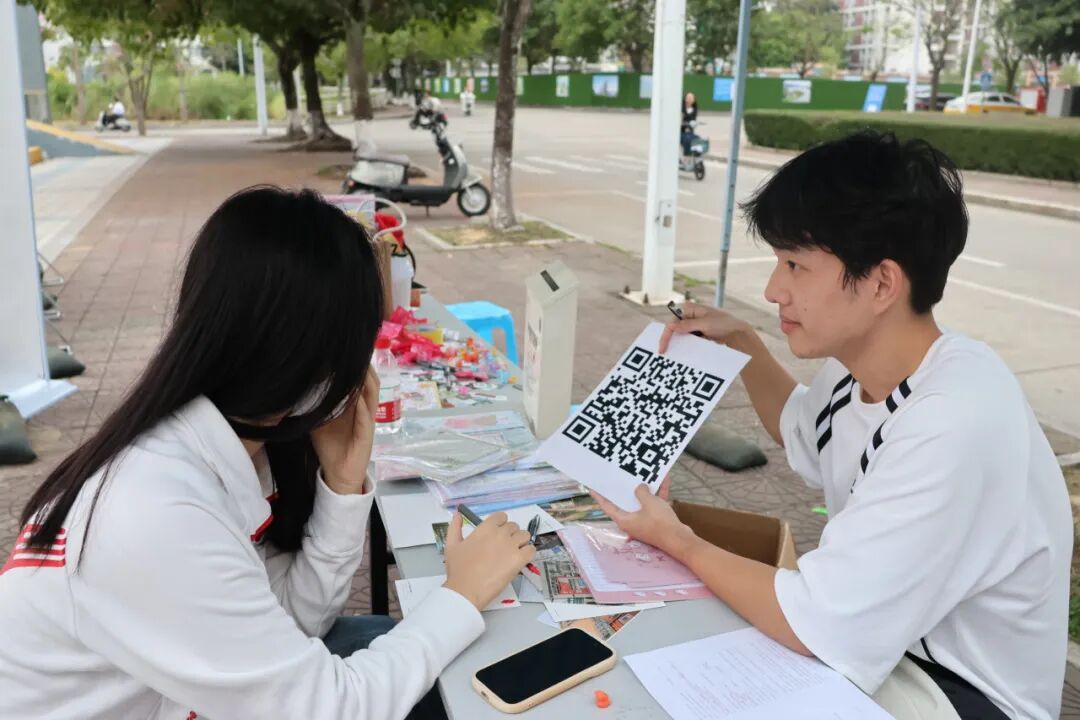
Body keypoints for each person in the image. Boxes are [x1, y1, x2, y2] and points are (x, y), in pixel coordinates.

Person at [0, 186, 536, 719]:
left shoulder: (227, 443)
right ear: (309, 359)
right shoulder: (155, 508)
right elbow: (331, 709)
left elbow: (297, 622)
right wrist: (461, 592)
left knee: (420, 656)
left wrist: (342, 483)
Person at [592, 132, 1070, 720]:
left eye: (795, 265)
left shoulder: (954, 420)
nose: (773, 289)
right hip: (886, 642)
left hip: (961, 691)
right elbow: (801, 428)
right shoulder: (862, 367)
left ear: (881, 284)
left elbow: (819, 623)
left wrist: (676, 539)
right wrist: (742, 341)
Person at [680, 92, 698, 157]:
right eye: (688, 98)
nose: (689, 100)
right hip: (681, 132)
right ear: (685, 99)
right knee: (687, 140)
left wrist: (694, 124)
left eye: (691, 98)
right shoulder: (681, 108)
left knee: (697, 139)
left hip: (690, 132)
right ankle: (687, 156)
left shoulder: (694, 109)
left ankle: (697, 158)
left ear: (694, 100)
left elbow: (694, 121)